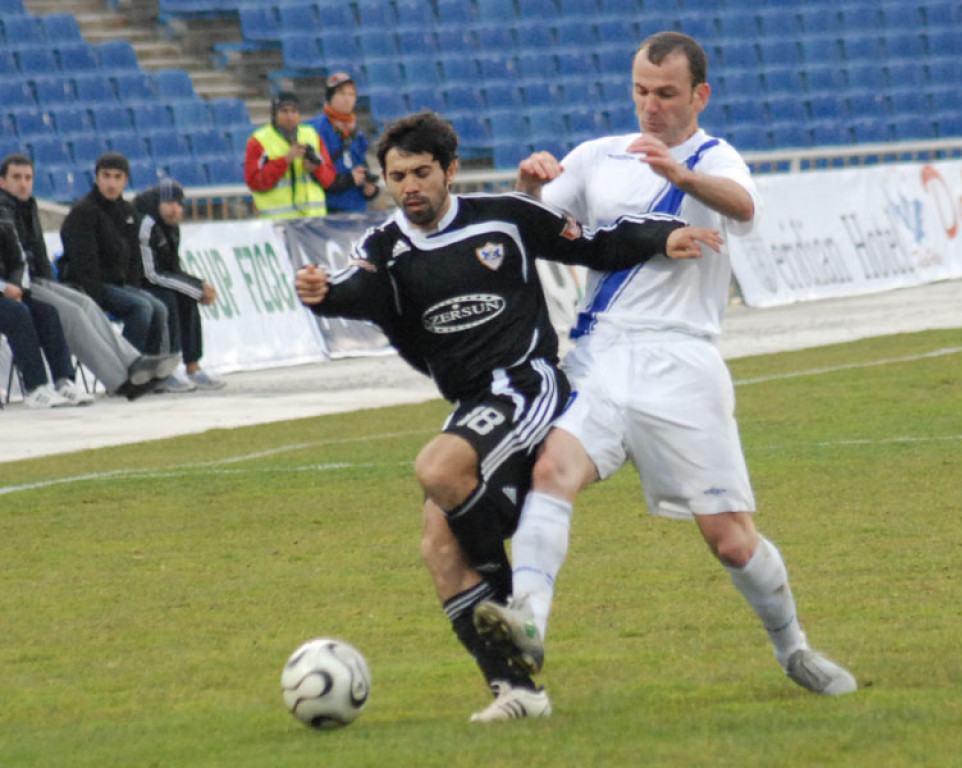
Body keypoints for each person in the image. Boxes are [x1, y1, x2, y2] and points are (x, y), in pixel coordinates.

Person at [294, 111, 721, 722]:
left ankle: (517, 607)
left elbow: (592, 242)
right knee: (439, 548)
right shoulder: (384, 248)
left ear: (449, 171)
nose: (409, 186)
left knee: (438, 469)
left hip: (528, 383)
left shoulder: (505, 217)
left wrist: (661, 236)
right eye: (397, 176)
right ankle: (518, 691)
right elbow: (355, 287)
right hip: (475, 405)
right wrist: (321, 292)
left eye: (421, 173)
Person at [472, 32, 858, 700]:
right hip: (600, 354)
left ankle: (793, 647)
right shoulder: (597, 156)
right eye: (641, 92)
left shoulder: (715, 158)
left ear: (699, 95)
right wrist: (527, 186)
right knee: (550, 472)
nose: (650, 106)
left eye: (667, 94)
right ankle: (529, 620)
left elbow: (744, 206)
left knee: (731, 541)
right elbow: (532, 230)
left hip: (682, 361)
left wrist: (682, 177)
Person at [0, 153, 177, 400]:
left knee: (86, 305)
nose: (23, 184)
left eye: (28, 178)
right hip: (19, 284)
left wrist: (49, 284)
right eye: (16, 177)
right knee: (74, 313)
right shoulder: (7, 210)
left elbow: (38, 252)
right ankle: (120, 381)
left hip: (36, 280)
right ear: (2, 181)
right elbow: (18, 257)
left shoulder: (27, 206)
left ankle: (134, 362)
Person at [58, 153, 181, 392]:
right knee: (141, 307)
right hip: (86, 286)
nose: (111, 183)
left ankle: (148, 374)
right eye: (106, 176)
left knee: (158, 307)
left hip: (118, 284)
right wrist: (97, 299)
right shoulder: (83, 212)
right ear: (96, 178)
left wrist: (133, 289)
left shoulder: (127, 211)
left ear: (125, 180)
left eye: (117, 177)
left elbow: (133, 261)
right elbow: (84, 265)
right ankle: (123, 376)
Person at [135, 178, 225, 391]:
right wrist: (197, 288)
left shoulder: (172, 227)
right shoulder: (146, 224)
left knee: (187, 298)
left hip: (154, 281)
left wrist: (197, 288)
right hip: (135, 283)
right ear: (158, 203)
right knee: (167, 300)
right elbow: (150, 274)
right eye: (168, 203)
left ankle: (193, 367)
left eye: (178, 204)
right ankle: (165, 370)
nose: (173, 209)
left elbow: (173, 269)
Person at [0, 208, 92, 408]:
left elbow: (19, 261)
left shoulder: (4, 216)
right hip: (4, 292)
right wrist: (3, 287)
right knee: (18, 315)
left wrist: (16, 286)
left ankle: (63, 380)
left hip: (10, 293)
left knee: (47, 313)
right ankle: (35, 386)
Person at [244, 91, 336, 219]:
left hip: (313, 219)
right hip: (277, 220)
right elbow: (254, 182)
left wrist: (316, 169)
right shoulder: (259, 140)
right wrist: (285, 161)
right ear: (274, 114)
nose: (289, 116)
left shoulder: (311, 135)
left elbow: (329, 179)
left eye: (294, 111)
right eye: (284, 111)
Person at [308, 71, 380, 214]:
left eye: (351, 94)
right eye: (341, 93)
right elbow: (315, 174)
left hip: (357, 209)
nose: (347, 99)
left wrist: (369, 188)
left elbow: (361, 165)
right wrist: (349, 179)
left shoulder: (356, 132)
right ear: (330, 96)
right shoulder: (314, 129)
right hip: (327, 210)